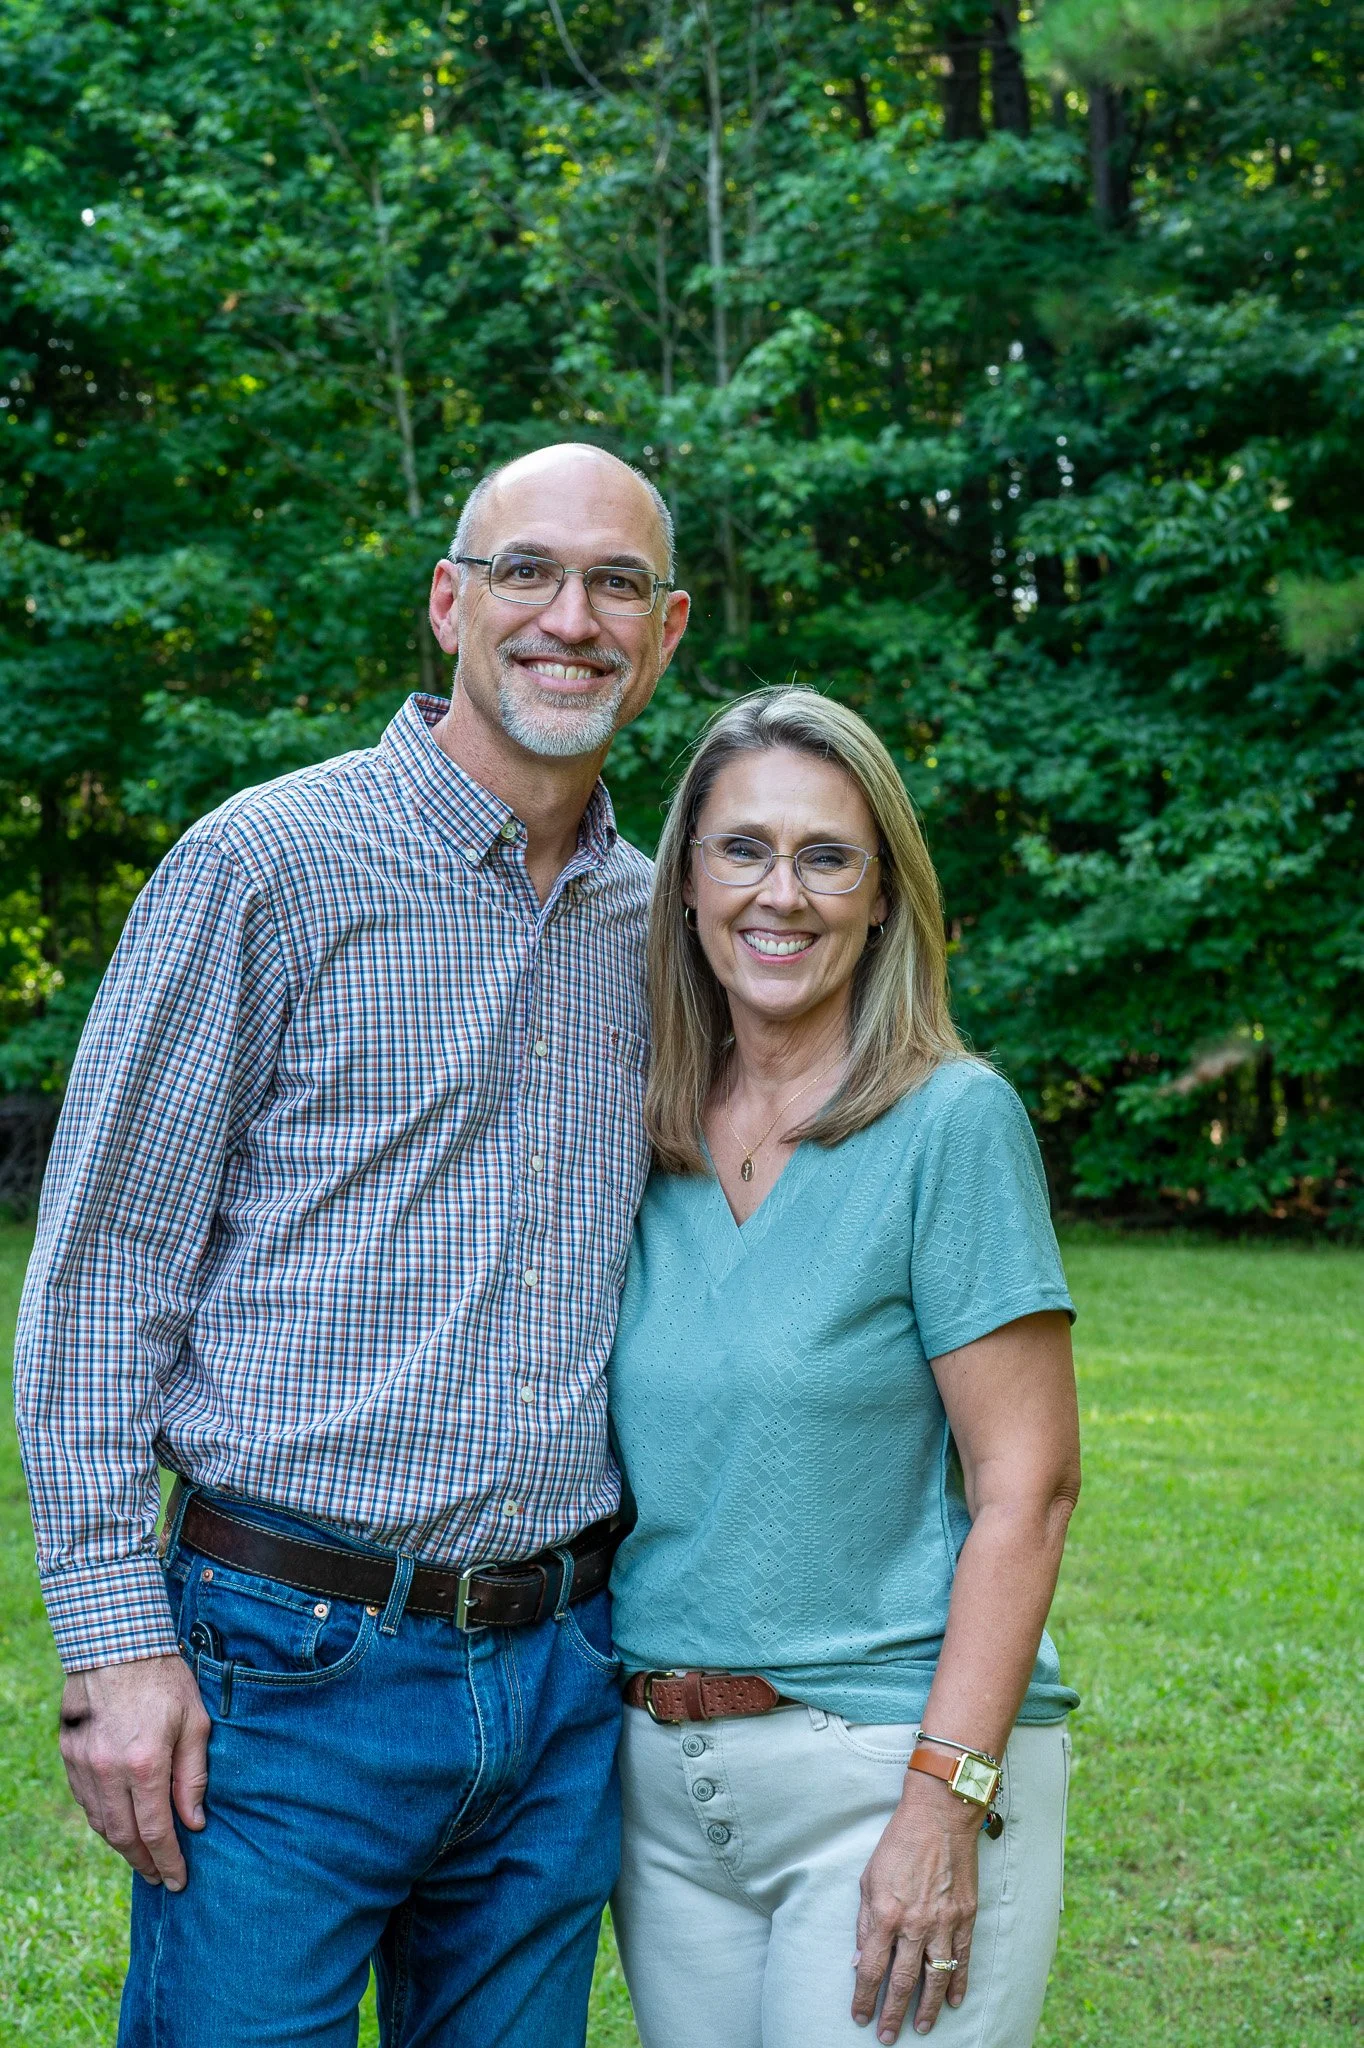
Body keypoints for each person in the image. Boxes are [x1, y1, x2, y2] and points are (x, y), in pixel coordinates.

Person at [13, 442, 689, 2048]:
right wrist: (113, 1645)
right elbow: (100, 1283)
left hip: (561, 1681)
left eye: (615, 585)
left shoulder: (664, 930)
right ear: (450, 603)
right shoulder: (264, 865)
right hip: (284, 1670)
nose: (569, 618)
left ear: (667, 636)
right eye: (528, 570)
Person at [606, 687, 1082, 2048]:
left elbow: (1028, 1487)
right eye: (743, 848)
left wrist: (943, 1798)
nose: (782, 894)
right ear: (685, 879)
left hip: (887, 1760)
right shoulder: (650, 1134)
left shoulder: (951, 1123)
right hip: (667, 1784)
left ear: (884, 899)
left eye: (829, 856)